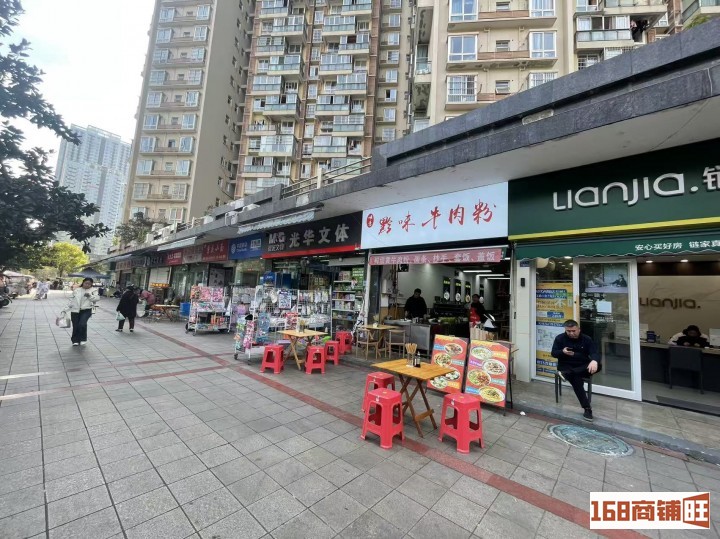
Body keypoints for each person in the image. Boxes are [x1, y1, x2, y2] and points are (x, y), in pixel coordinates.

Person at [551, 319, 601, 422]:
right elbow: (554, 353)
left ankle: (567, 374)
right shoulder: (560, 338)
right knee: (577, 380)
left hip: (582, 366)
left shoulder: (586, 339)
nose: (571, 333)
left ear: (579, 329)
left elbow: (594, 352)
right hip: (566, 366)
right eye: (568, 331)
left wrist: (594, 361)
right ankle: (587, 408)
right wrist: (562, 352)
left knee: (598, 365)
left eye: (573, 331)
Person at [67, 278, 99, 345]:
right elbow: (71, 298)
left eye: (89, 284)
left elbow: (97, 298)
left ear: (91, 284)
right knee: (75, 325)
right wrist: (68, 307)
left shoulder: (93, 290)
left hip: (87, 309)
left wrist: (90, 296)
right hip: (75, 309)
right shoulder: (77, 290)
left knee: (82, 324)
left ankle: (83, 338)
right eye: (86, 283)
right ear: (83, 282)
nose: (87, 285)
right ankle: (75, 340)